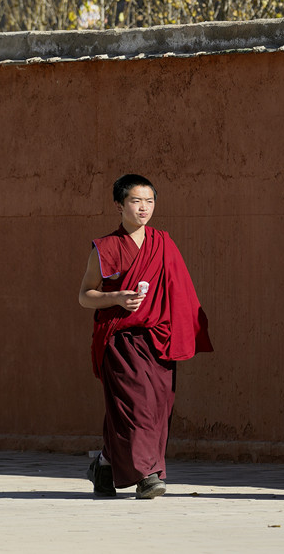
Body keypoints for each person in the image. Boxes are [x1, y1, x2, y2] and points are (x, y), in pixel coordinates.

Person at [78, 174, 212, 499]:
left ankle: (105, 464)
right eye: (136, 201)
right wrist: (118, 299)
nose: (143, 208)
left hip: (158, 338)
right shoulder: (106, 247)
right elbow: (85, 295)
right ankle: (148, 475)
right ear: (119, 205)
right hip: (121, 339)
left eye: (149, 201)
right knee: (137, 407)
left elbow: (179, 292)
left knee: (158, 407)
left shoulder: (162, 242)